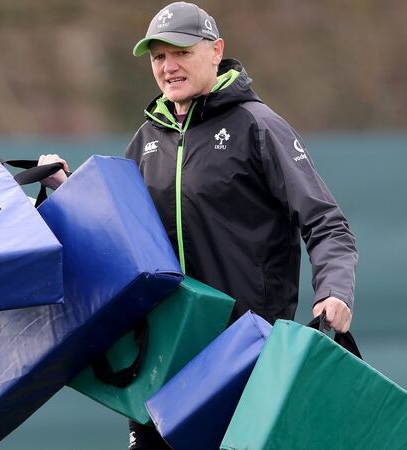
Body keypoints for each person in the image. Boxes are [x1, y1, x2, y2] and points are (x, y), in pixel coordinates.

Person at [40, 2, 357, 448]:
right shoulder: (146, 139)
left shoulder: (258, 126)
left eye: (181, 53)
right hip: (163, 357)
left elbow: (326, 222)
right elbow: (120, 229)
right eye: (158, 57)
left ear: (215, 51)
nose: (168, 67)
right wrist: (67, 187)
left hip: (243, 352)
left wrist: (335, 291)